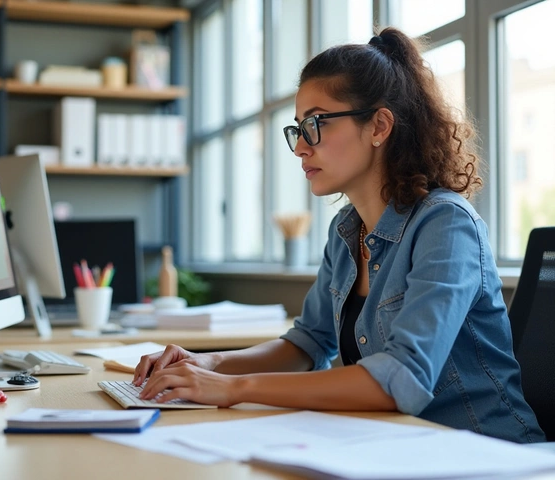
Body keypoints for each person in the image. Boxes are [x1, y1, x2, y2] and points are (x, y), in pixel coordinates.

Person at [133, 27, 545, 443]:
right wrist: (212, 364)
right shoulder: (346, 229)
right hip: (396, 446)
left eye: (314, 123)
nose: (299, 147)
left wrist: (236, 389)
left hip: (484, 453)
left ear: (379, 126)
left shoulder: (446, 224)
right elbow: (308, 343)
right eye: (297, 129)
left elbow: (401, 378)